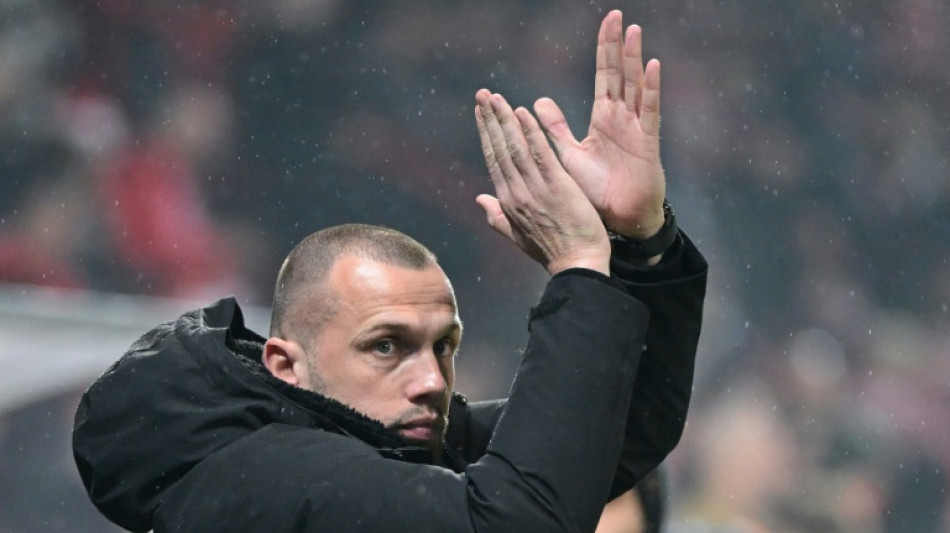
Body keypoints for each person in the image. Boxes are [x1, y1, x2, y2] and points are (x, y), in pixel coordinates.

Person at [73, 10, 707, 532]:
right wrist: (578, 270)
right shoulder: (265, 476)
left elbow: (623, 430)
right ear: (286, 366)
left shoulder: (369, 430)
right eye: (386, 346)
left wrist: (640, 242)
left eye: (444, 347)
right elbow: (516, 524)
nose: (431, 380)